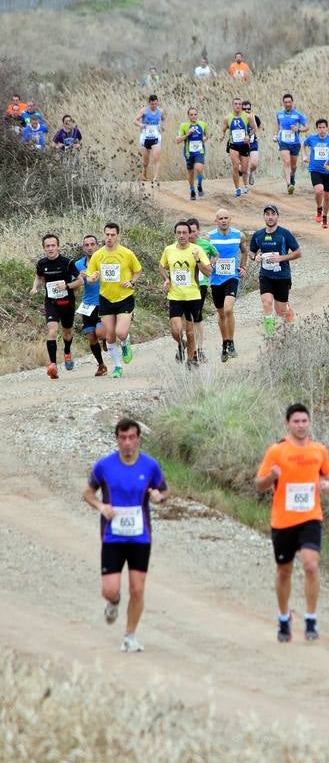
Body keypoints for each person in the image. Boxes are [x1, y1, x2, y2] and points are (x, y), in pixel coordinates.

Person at [83, 417, 170, 653]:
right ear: (117, 439)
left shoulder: (150, 466)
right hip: (113, 536)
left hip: (140, 536)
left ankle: (130, 636)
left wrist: (158, 497)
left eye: (132, 438)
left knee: (138, 589)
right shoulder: (104, 466)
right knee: (110, 589)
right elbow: (88, 493)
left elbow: (164, 491)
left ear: (139, 439)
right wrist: (101, 507)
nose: (128, 443)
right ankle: (113, 601)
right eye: (123, 438)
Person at [255, 403, 329, 643]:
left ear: (310, 423)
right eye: (296, 421)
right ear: (287, 424)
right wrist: (271, 477)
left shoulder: (319, 450)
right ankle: (283, 617)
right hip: (283, 519)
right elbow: (259, 484)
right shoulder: (277, 451)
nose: (300, 425)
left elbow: (326, 475)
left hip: (310, 517)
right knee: (284, 571)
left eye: (304, 421)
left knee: (310, 565)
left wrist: (326, 484)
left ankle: (311, 618)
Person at [86, 223, 142, 378]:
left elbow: (137, 270)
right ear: (103, 235)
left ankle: (125, 343)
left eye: (112, 235)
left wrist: (132, 282)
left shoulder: (127, 253)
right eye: (107, 234)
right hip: (106, 298)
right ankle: (117, 366)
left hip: (124, 298)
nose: (109, 238)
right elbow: (90, 278)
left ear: (118, 236)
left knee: (121, 332)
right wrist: (93, 278)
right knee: (109, 336)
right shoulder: (97, 255)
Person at [159, 220, 211, 369]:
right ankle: (181, 345)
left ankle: (190, 360)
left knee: (190, 332)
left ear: (189, 234)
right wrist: (167, 279)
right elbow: (161, 266)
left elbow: (208, 271)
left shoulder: (197, 250)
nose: (181, 235)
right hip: (175, 296)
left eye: (184, 233)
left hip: (193, 296)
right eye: (179, 233)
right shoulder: (169, 250)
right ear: (175, 234)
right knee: (175, 330)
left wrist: (198, 260)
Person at [30, 233, 78, 380]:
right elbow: (38, 276)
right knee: (52, 330)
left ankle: (67, 351)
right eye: (47, 246)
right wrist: (35, 287)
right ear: (44, 248)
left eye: (53, 245)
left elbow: (80, 280)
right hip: (51, 302)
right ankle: (53, 365)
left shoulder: (67, 262)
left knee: (67, 332)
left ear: (58, 246)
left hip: (67, 302)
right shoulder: (41, 263)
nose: (50, 248)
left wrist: (67, 286)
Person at [249, 205, 301, 336]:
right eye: (267, 214)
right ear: (264, 217)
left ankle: (288, 326)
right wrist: (255, 257)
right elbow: (251, 252)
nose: (270, 217)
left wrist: (281, 258)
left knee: (280, 311)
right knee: (266, 303)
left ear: (277, 216)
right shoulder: (258, 235)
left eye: (273, 214)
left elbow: (298, 253)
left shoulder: (284, 234)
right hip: (265, 276)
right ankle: (270, 336)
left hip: (282, 276)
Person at [208, 208, 248, 362]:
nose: (224, 220)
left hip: (232, 277)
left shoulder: (239, 235)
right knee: (221, 314)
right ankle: (225, 343)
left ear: (230, 219)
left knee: (228, 309)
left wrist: (243, 267)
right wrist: (208, 267)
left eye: (226, 217)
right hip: (216, 279)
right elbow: (204, 254)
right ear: (216, 221)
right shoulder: (210, 237)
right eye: (221, 218)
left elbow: (244, 252)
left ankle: (231, 342)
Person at [73, 234, 108, 377]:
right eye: (86, 245)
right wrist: (79, 279)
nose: (89, 247)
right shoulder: (78, 265)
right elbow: (75, 287)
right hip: (87, 304)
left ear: (97, 245)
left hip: (104, 302)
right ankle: (101, 365)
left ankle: (106, 338)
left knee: (100, 333)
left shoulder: (105, 260)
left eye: (92, 244)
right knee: (91, 336)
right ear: (83, 248)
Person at [187, 217, 218, 363]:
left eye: (194, 231)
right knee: (187, 317)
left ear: (198, 231)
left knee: (196, 316)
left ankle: (198, 349)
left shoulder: (205, 244)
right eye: (189, 231)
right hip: (186, 286)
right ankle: (189, 347)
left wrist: (210, 264)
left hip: (202, 284)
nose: (191, 235)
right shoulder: (180, 246)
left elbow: (216, 254)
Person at [303, 118, 329, 229]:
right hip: (315, 169)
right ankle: (319, 208)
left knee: (327, 196)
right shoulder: (312, 138)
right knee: (318, 191)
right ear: (317, 129)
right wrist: (304, 155)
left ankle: (325, 216)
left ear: (327, 128)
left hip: (328, 171)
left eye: (324, 127)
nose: (322, 130)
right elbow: (303, 144)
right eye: (320, 128)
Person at [220, 97, 257, 197]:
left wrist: (248, 136)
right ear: (232, 105)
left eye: (239, 104)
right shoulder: (227, 118)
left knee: (244, 169)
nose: (238, 106)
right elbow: (223, 129)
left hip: (244, 145)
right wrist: (222, 135)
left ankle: (245, 186)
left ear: (241, 106)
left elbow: (254, 128)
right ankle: (237, 188)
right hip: (233, 145)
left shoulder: (248, 117)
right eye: (235, 104)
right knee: (236, 167)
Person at [274, 93, 308, 195]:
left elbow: (307, 127)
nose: (287, 104)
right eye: (285, 102)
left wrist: (298, 129)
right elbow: (277, 127)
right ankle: (289, 184)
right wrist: (275, 136)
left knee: (293, 166)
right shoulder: (279, 114)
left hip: (295, 143)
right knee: (286, 162)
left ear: (292, 102)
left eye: (289, 102)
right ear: (283, 103)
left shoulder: (298, 114)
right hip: (283, 142)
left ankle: (292, 177)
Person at [176, 107, 208, 200]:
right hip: (188, 152)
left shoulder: (203, 124)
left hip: (199, 151)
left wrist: (205, 138)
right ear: (188, 116)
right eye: (191, 115)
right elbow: (178, 140)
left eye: (195, 114)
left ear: (197, 115)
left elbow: (207, 135)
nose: (193, 116)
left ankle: (199, 184)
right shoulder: (184, 126)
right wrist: (188, 134)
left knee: (199, 168)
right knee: (190, 173)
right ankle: (192, 190)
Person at [133, 94, 165, 185]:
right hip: (145, 137)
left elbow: (163, 119)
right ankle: (145, 172)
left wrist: (162, 126)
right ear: (149, 103)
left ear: (157, 102)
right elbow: (134, 120)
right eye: (152, 104)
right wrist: (141, 125)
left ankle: (155, 177)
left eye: (155, 104)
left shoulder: (161, 111)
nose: (154, 106)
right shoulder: (144, 111)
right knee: (145, 161)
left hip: (156, 137)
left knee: (156, 157)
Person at [242, 99, 262, 187]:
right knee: (242, 167)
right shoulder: (238, 119)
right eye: (244, 109)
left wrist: (259, 136)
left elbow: (260, 127)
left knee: (254, 164)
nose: (247, 110)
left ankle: (251, 173)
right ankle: (244, 184)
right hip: (241, 145)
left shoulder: (255, 117)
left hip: (253, 142)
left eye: (248, 109)